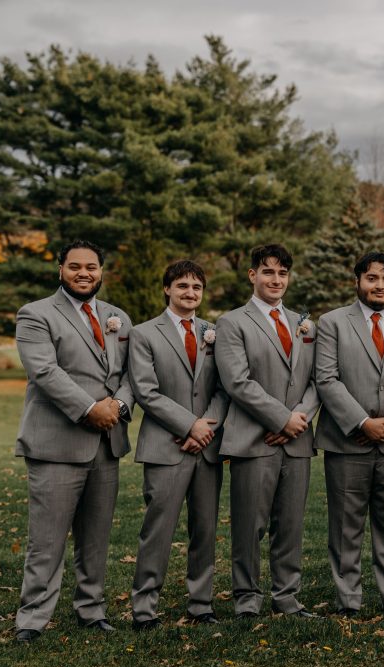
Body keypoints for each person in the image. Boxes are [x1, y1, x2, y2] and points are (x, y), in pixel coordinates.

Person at [13, 239, 133, 642]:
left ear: (102, 271)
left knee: (96, 537)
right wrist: (89, 409)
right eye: (76, 266)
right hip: (56, 443)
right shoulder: (35, 315)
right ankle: (33, 618)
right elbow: (44, 372)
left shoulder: (119, 318)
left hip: (107, 442)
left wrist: (118, 405)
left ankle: (91, 610)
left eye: (92, 267)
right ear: (60, 269)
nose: (85, 273)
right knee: (46, 540)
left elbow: (132, 374)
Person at [314, 252, 384, 616]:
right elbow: (326, 379)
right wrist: (363, 422)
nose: (380, 286)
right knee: (346, 524)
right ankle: (348, 599)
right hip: (348, 440)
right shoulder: (332, 322)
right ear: (358, 281)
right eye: (372, 278)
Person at [215, 245, 320, 619]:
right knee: (249, 525)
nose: (276, 280)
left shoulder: (304, 324)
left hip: (298, 441)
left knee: (290, 524)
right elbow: (237, 382)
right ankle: (246, 598)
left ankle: (287, 598)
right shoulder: (232, 323)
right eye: (268, 272)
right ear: (252, 275)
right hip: (253, 439)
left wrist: (300, 419)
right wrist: (281, 420)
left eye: (282, 273)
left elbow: (316, 381)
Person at [128, 260, 229, 630]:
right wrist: (190, 425)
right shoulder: (144, 334)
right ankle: (144, 608)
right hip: (164, 446)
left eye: (196, 287)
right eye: (182, 285)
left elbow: (224, 389)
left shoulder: (214, 332)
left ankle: (201, 603)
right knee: (158, 529)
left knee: (204, 528)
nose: (190, 292)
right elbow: (146, 391)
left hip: (207, 447)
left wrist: (206, 429)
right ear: (167, 289)